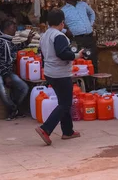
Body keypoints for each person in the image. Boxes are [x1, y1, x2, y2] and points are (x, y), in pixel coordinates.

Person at [35, 9, 83, 146]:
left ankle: (68, 131)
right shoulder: (59, 36)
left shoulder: (45, 35)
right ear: (62, 23)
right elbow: (62, 54)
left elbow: (44, 55)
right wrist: (76, 56)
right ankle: (46, 128)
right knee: (65, 103)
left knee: (64, 101)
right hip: (60, 73)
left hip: (50, 72)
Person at [0, 18, 34, 120]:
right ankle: (13, 109)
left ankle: (14, 108)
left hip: (6, 72)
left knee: (24, 87)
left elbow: (15, 47)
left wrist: (28, 42)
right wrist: (6, 75)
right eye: (13, 27)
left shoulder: (7, 41)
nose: (15, 30)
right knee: (2, 89)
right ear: (7, 28)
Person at [61, 0, 97, 70]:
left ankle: (94, 82)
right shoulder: (63, 10)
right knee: (80, 64)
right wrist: (65, 31)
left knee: (93, 62)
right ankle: (83, 82)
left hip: (89, 38)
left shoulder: (83, 4)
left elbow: (92, 13)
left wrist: (90, 24)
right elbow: (52, 25)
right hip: (77, 40)